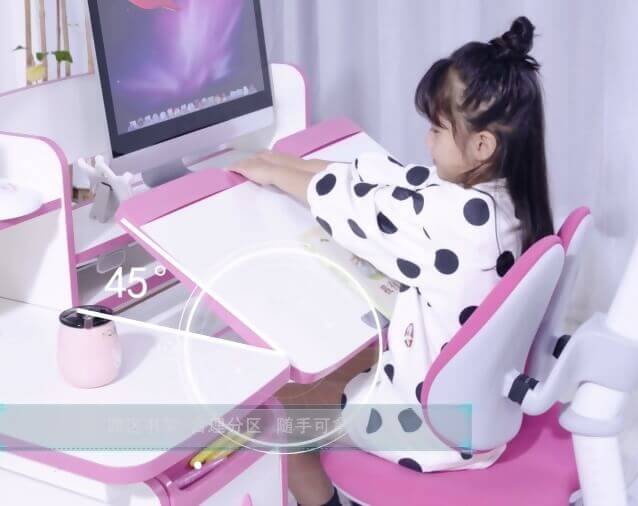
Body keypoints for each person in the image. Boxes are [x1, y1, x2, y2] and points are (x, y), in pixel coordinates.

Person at [231, 16, 554, 506]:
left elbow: (358, 207)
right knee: (345, 362)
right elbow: (400, 181)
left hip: (429, 432)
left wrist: (275, 174)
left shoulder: (454, 221)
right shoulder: (508, 200)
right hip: (481, 412)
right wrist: (281, 163)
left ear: (482, 146)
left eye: (437, 129)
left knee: (271, 414)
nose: (427, 141)